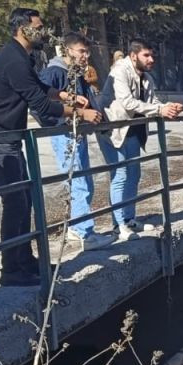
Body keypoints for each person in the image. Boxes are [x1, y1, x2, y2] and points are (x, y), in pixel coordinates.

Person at [0, 7, 99, 287]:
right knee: (15, 202)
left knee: (25, 200)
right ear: (22, 29)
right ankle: (10, 271)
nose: (44, 31)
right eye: (38, 27)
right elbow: (40, 105)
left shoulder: (22, 57)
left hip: (10, 138)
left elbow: (38, 90)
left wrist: (64, 94)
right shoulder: (14, 59)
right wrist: (80, 113)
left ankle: (25, 260)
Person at [99, 39, 182, 241]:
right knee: (120, 174)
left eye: (152, 55)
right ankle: (118, 225)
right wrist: (159, 109)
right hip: (114, 129)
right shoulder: (120, 71)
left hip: (134, 130)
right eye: (146, 55)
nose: (151, 59)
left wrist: (168, 107)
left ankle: (129, 219)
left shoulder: (146, 77)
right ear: (133, 55)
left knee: (133, 174)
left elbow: (152, 102)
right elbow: (126, 102)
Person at [39, 33, 115, 251]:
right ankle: (84, 233)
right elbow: (40, 103)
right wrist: (63, 118)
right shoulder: (54, 72)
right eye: (81, 51)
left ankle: (77, 227)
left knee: (85, 181)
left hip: (77, 133)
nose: (85, 56)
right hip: (64, 133)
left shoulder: (76, 73)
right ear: (68, 51)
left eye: (87, 52)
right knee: (78, 182)